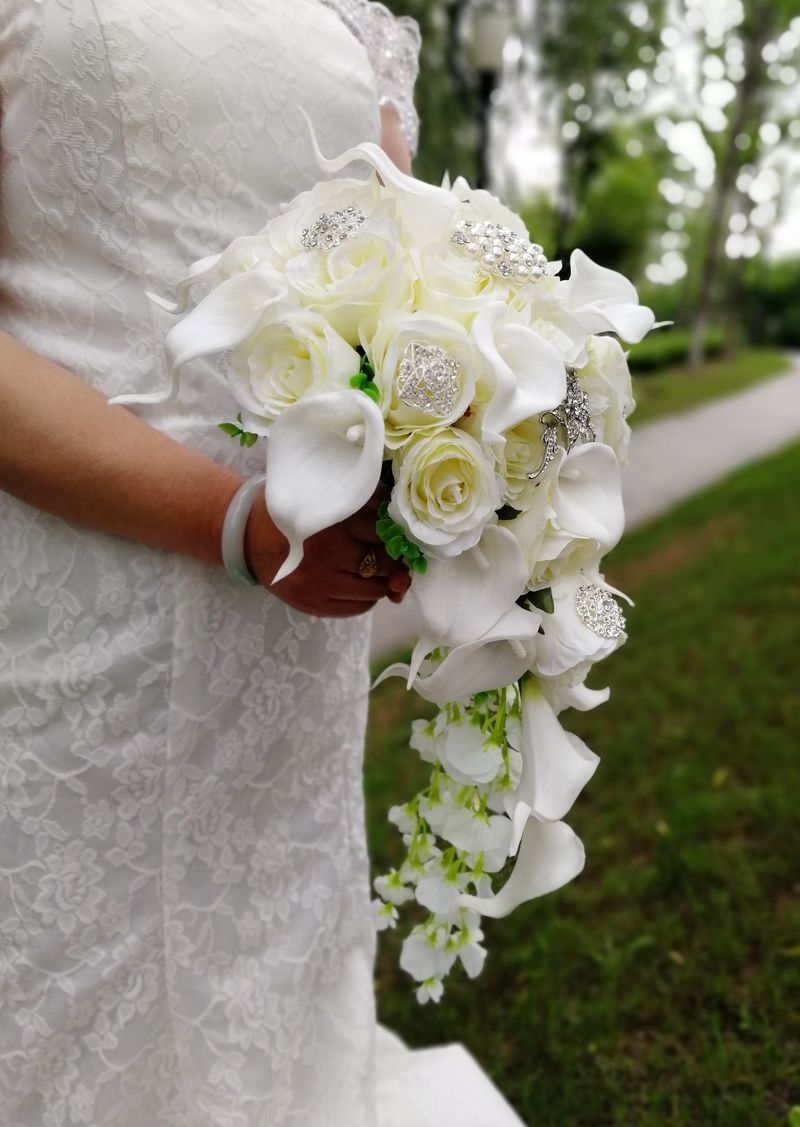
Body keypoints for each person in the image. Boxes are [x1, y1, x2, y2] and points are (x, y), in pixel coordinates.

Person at [0, 2, 524, 1123]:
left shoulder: (353, 20)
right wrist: (238, 521)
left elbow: (409, 281)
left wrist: (461, 443)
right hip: (79, 620)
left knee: (268, 953)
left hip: (295, 641)